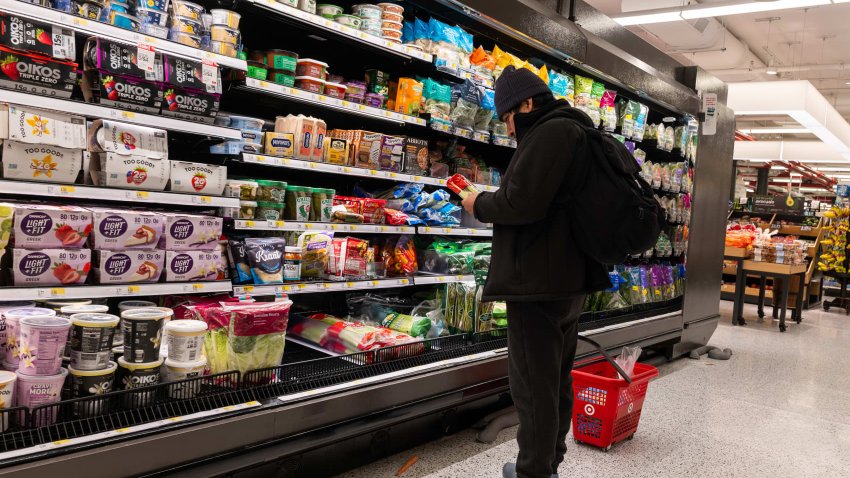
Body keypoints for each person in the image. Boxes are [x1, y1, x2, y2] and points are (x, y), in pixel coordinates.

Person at [460, 65, 609, 478]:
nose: (509, 129)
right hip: (568, 279)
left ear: (526, 104)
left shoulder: (548, 133)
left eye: (508, 117)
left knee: (532, 390)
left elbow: (520, 204)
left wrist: (479, 202)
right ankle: (547, 464)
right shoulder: (574, 130)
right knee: (554, 382)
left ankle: (533, 472)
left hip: (538, 285)